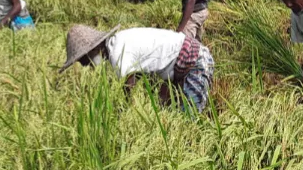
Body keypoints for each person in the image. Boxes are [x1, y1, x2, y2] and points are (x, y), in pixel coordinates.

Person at [59, 24, 214, 113]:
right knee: (168, 110)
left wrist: (126, 111)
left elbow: (129, 86)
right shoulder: (118, 42)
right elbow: (147, 76)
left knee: (190, 117)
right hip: (178, 66)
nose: (87, 66)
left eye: (85, 61)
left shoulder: (117, 54)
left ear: (93, 51)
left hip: (194, 61)